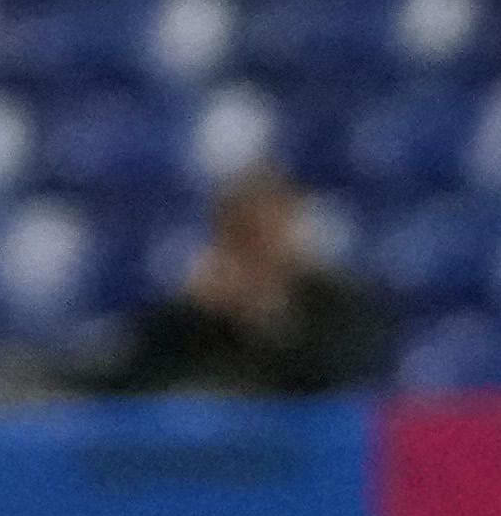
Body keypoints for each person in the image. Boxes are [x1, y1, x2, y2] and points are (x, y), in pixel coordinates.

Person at [56, 170, 398, 400]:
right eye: (246, 235)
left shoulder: (334, 302)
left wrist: (266, 321)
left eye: (272, 232)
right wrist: (193, 315)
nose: (261, 248)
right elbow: (139, 383)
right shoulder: (194, 314)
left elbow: (336, 380)